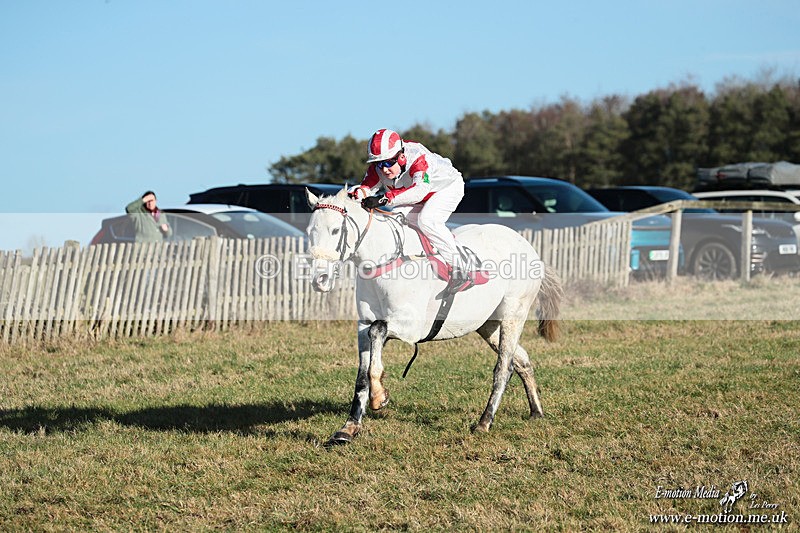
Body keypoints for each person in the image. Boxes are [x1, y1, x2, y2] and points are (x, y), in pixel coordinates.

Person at [350, 128, 470, 295]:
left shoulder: (418, 158)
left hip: (446, 188)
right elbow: (366, 188)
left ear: (401, 156)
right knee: (396, 218)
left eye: (387, 163)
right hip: (421, 194)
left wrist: (384, 199)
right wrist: (355, 194)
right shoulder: (379, 167)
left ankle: (461, 268)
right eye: (378, 164)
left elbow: (419, 190)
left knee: (427, 220)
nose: (383, 169)